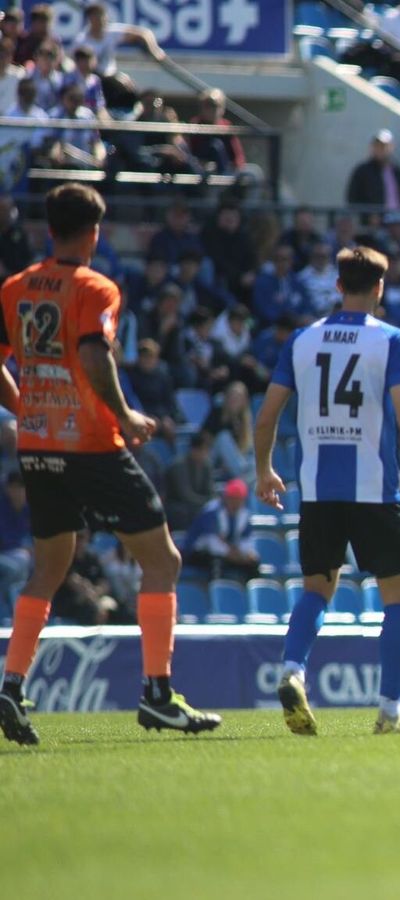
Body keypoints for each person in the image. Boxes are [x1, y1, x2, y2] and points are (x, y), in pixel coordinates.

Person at [0, 184, 221, 746]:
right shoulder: (96, 287)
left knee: (49, 565)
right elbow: (94, 353)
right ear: (94, 233)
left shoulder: (16, 288)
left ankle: (11, 683)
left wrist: (28, 407)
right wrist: (125, 414)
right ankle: (157, 694)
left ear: (49, 229)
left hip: (38, 444)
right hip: (92, 445)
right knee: (163, 560)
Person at [253, 247, 400, 737]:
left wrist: (263, 469)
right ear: (380, 289)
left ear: (338, 286)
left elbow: (267, 415)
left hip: (318, 490)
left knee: (317, 588)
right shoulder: (391, 340)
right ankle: (389, 711)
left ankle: (291, 671)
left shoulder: (302, 340)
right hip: (372, 489)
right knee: (397, 596)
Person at [181, 478, 258, 582]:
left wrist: (246, 554)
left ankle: (248, 595)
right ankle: (217, 593)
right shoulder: (211, 512)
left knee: (253, 563)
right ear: (226, 497)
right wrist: (234, 555)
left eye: (239, 499)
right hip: (199, 552)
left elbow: (246, 539)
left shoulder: (244, 514)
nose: (235, 503)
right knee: (216, 563)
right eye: (233, 498)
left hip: (229, 553)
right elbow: (212, 544)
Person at [346, 129, 400, 211]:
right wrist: (368, 216)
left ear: (391, 147)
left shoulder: (398, 172)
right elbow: (352, 199)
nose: (380, 149)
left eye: (384, 146)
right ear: (372, 147)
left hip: (397, 220)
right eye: (377, 146)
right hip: (372, 222)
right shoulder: (362, 171)